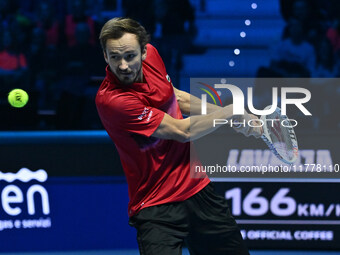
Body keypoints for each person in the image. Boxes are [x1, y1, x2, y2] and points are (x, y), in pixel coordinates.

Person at [95, 17, 261, 255]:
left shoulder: (153, 56)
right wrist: (231, 112)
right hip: (155, 205)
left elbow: (176, 98)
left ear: (143, 52)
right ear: (105, 57)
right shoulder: (113, 101)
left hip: (198, 190)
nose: (123, 66)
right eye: (115, 57)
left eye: (130, 56)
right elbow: (182, 131)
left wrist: (232, 119)